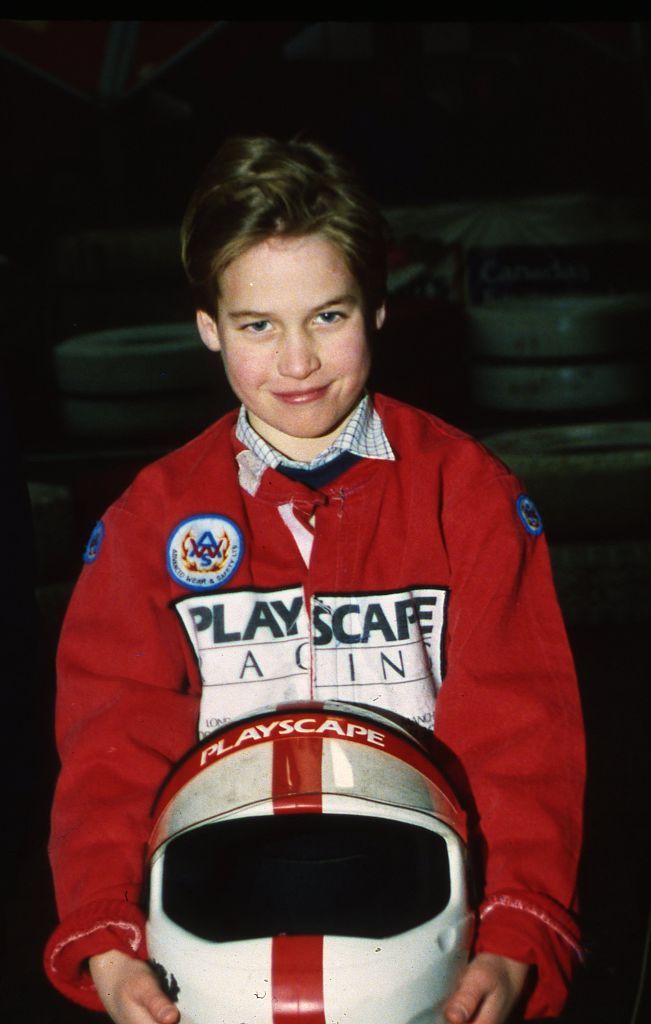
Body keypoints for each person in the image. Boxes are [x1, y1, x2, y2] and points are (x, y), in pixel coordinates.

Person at [44, 136, 585, 1024]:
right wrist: (106, 938)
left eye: (327, 316)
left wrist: (516, 935)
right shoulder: (152, 519)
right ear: (209, 328)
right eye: (258, 326)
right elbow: (111, 741)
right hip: (218, 937)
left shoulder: (471, 497)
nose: (296, 361)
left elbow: (525, 732)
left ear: (376, 310)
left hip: (421, 927)